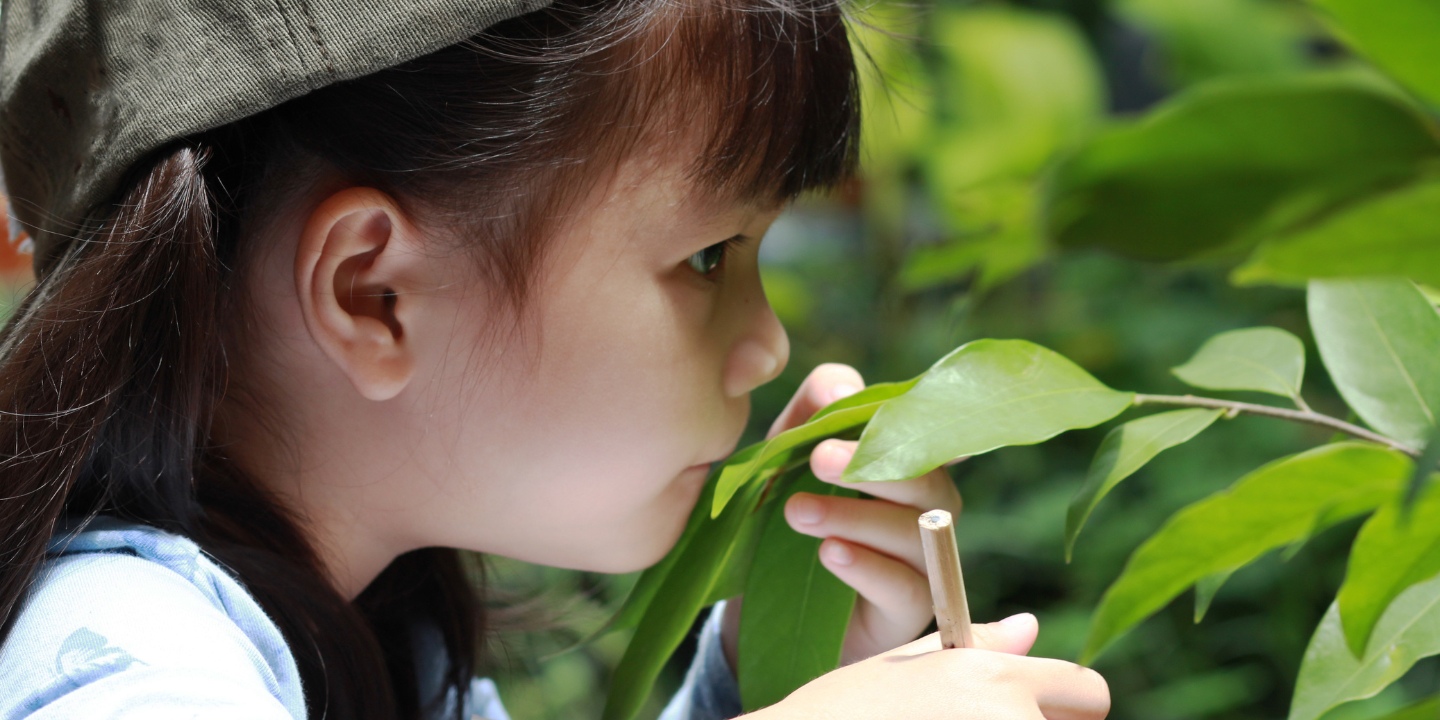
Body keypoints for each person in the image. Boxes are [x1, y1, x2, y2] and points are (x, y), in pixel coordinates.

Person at [0, 1, 1111, 719]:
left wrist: (773, 670)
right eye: (710, 254)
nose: (768, 341)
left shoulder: (379, 645)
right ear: (372, 294)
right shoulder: (130, 668)